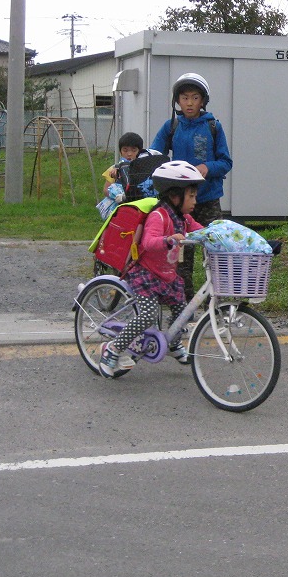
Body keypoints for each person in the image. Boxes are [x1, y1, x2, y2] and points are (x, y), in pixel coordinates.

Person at [98, 161, 206, 377]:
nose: (195, 200)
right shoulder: (159, 216)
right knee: (147, 315)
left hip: (167, 276)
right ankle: (113, 349)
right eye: (191, 196)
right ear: (175, 196)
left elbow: (201, 230)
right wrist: (168, 239)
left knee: (182, 310)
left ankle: (173, 343)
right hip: (146, 274)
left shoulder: (183, 218)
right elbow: (148, 242)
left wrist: (220, 233)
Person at [150, 73, 232, 299]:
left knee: (216, 251)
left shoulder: (214, 126)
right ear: (177, 101)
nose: (189, 103)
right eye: (184, 97)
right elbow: (154, 156)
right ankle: (182, 303)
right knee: (181, 255)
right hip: (179, 204)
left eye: (195, 97)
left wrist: (207, 167)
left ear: (203, 101)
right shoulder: (172, 126)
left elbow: (226, 162)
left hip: (208, 200)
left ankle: (217, 302)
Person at [102, 132, 144, 196]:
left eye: (134, 150)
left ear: (140, 151)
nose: (129, 154)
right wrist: (115, 194)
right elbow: (106, 190)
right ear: (120, 152)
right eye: (125, 150)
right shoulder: (114, 169)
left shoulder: (145, 167)